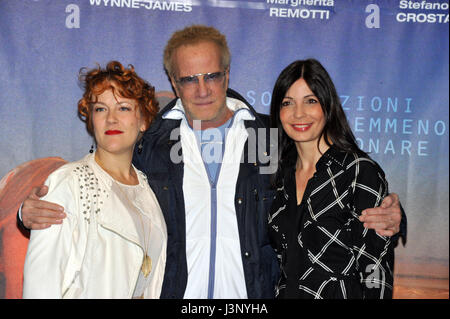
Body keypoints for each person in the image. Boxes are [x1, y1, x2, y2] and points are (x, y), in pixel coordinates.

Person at [19, 25, 404, 299]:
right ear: (173, 78)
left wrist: (392, 212)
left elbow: (330, 184)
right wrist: (28, 210)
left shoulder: (270, 138)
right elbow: (104, 173)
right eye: (188, 79)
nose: (202, 89)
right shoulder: (151, 142)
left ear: (227, 75)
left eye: (211, 76)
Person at [22, 61, 167, 298]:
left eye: (123, 108)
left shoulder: (147, 188)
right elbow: (40, 286)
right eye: (100, 109)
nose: (111, 119)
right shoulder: (68, 182)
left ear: (143, 121)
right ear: (91, 120)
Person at [268, 59, 395, 299]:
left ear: (327, 106)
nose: (298, 113)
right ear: (278, 111)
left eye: (311, 101)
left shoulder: (358, 172)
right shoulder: (278, 176)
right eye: (287, 103)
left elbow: (375, 268)